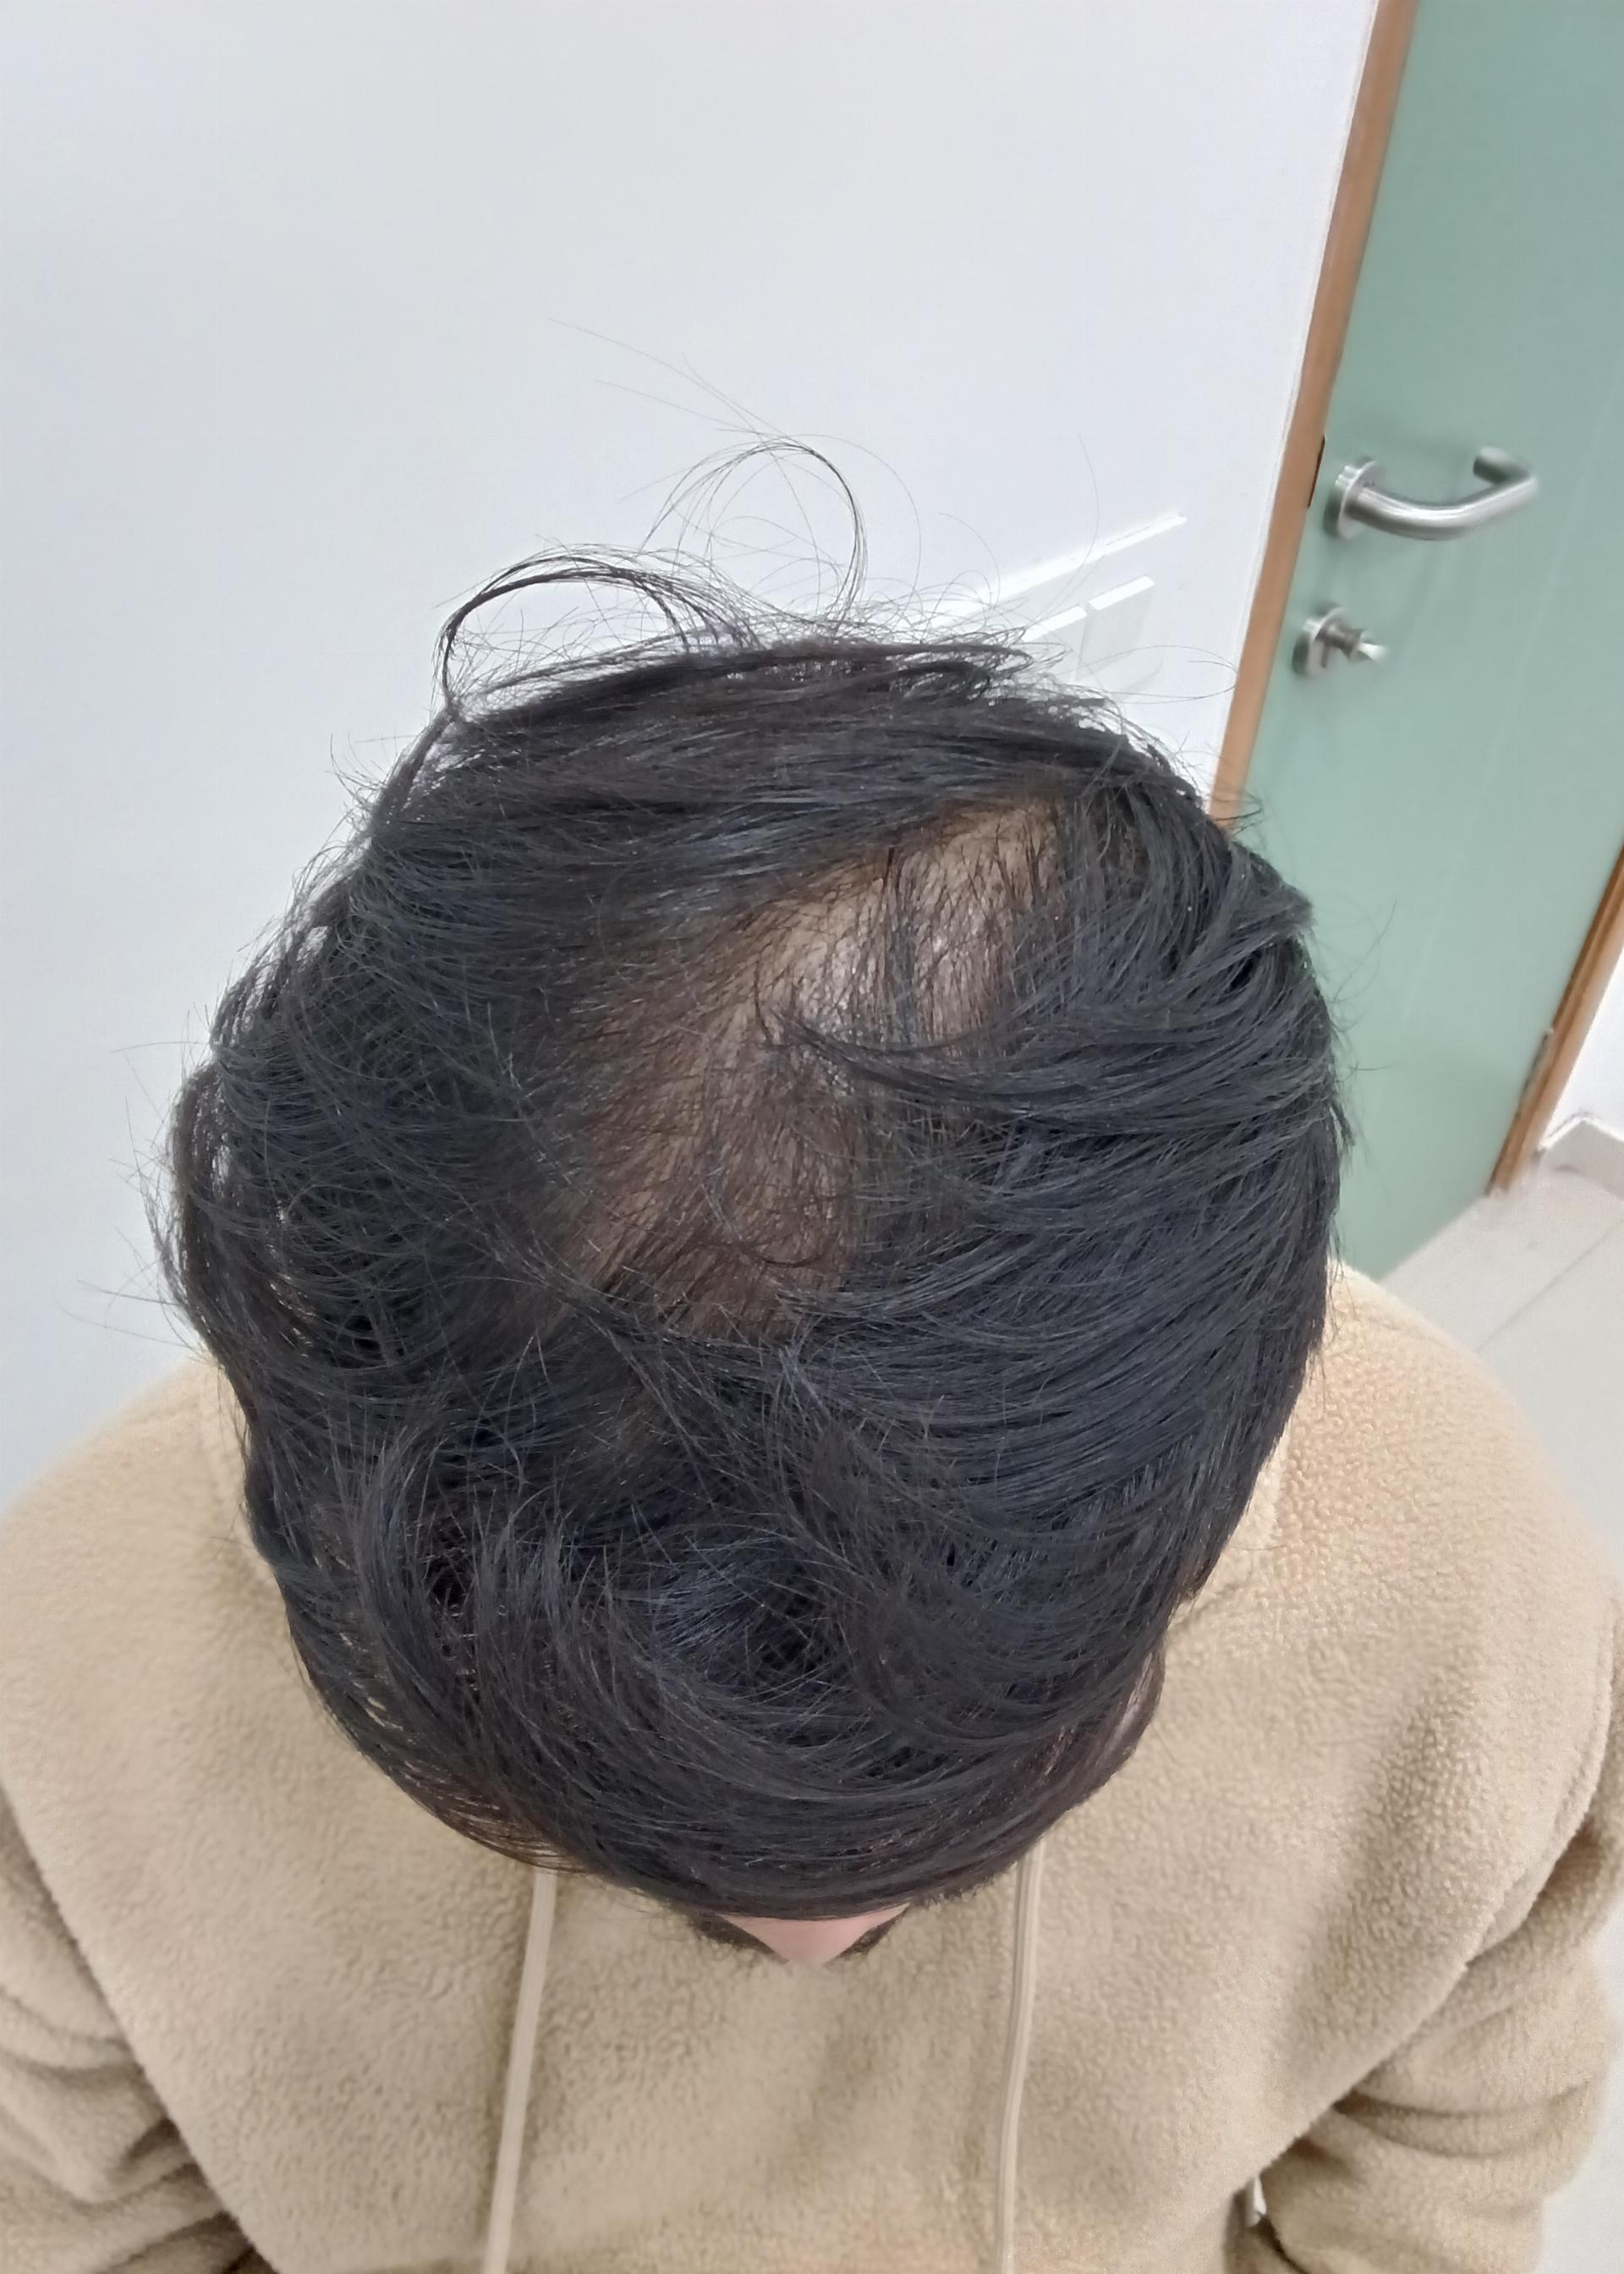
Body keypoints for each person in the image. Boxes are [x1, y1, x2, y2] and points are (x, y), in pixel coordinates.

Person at [2, 551, 1620, 2274]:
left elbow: (1450, 2146)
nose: (812, 1948)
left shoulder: (1467, 1580)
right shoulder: (77, 1665)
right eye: (647, 1850)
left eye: (960, 1807)